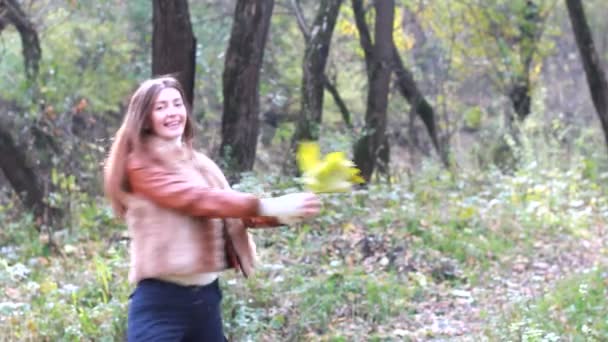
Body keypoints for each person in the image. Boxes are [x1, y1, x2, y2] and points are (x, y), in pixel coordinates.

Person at [103, 76, 321, 341]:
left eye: (177, 104)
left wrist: (285, 213)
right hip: (162, 303)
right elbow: (196, 200)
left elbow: (233, 210)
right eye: (160, 107)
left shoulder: (200, 164)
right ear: (145, 118)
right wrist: (268, 204)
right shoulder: (140, 165)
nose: (172, 113)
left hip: (206, 301)